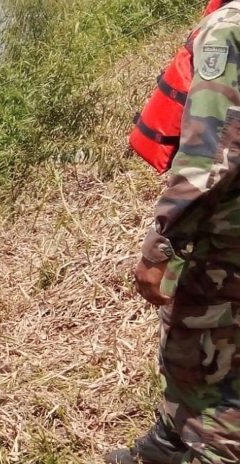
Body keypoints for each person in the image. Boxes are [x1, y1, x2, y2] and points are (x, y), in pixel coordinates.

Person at [105, 3, 240, 463]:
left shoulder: (229, 28)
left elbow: (209, 159)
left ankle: (207, 449)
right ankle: (168, 441)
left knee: (207, 362)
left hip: (222, 240)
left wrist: (162, 246)